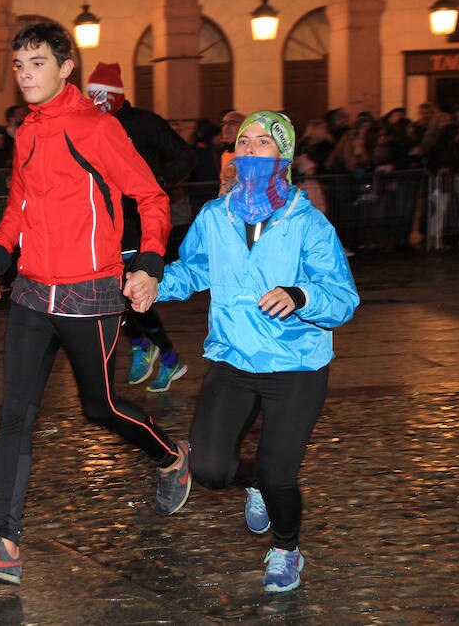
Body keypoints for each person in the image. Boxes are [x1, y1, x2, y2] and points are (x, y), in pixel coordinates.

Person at [0, 22, 190, 586]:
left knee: (99, 407)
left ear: (65, 68)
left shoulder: (97, 128)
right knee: (15, 416)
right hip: (31, 294)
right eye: (18, 65)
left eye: (35, 63)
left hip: (90, 295)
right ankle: (5, 545)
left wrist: (149, 264)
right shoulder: (26, 133)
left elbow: (150, 195)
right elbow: (16, 213)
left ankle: (172, 456)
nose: (24, 74)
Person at [153, 111, 359, 593]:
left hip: (296, 365)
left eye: (262, 142)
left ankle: (286, 550)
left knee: (279, 473)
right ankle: (254, 482)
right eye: (243, 141)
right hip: (233, 358)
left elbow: (343, 297)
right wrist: (152, 286)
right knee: (208, 468)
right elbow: (193, 271)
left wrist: (301, 296)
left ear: (282, 156)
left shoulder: (307, 223)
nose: (248, 149)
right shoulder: (214, 216)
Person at [87, 61, 195, 391]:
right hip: (104, 224)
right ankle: (144, 346)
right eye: (92, 95)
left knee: (132, 294)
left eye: (102, 95)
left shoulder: (143, 123)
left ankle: (167, 356)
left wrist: (158, 182)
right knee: (109, 296)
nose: (97, 101)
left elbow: (184, 155)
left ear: (116, 95)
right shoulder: (90, 126)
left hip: (136, 223)